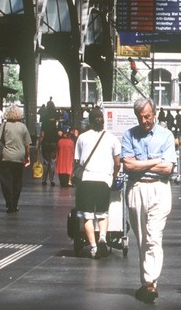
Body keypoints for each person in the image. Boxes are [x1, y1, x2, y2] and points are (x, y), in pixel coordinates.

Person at [121, 98, 177, 303]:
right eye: (140, 117)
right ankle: (147, 282)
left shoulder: (166, 135)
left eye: (148, 116)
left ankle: (151, 282)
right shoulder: (129, 135)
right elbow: (128, 166)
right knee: (143, 238)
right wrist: (155, 161)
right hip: (136, 189)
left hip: (159, 189)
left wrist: (140, 164)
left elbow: (168, 168)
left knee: (154, 236)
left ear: (155, 113)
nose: (145, 120)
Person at [75, 107, 121, 259]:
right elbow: (117, 163)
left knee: (87, 216)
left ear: (89, 121)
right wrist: (113, 176)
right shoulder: (112, 138)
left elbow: (78, 161)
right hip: (104, 180)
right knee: (102, 214)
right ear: (103, 120)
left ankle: (93, 247)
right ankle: (102, 237)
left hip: (86, 180)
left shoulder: (82, 137)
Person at [0, 105, 31, 213]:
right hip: (19, 157)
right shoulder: (23, 127)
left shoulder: (4, 125)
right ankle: (15, 204)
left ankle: (9, 203)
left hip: (5, 157)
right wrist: (27, 157)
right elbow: (27, 144)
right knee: (17, 181)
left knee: (6, 181)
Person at [38, 115, 59, 186]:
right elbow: (58, 133)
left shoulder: (45, 122)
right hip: (53, 143)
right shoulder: (56, 122)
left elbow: (42, 135)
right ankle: (52, 180)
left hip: (45, 143)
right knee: (52, 162)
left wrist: (39, 144)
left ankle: (44, 180)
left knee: (46, 161)